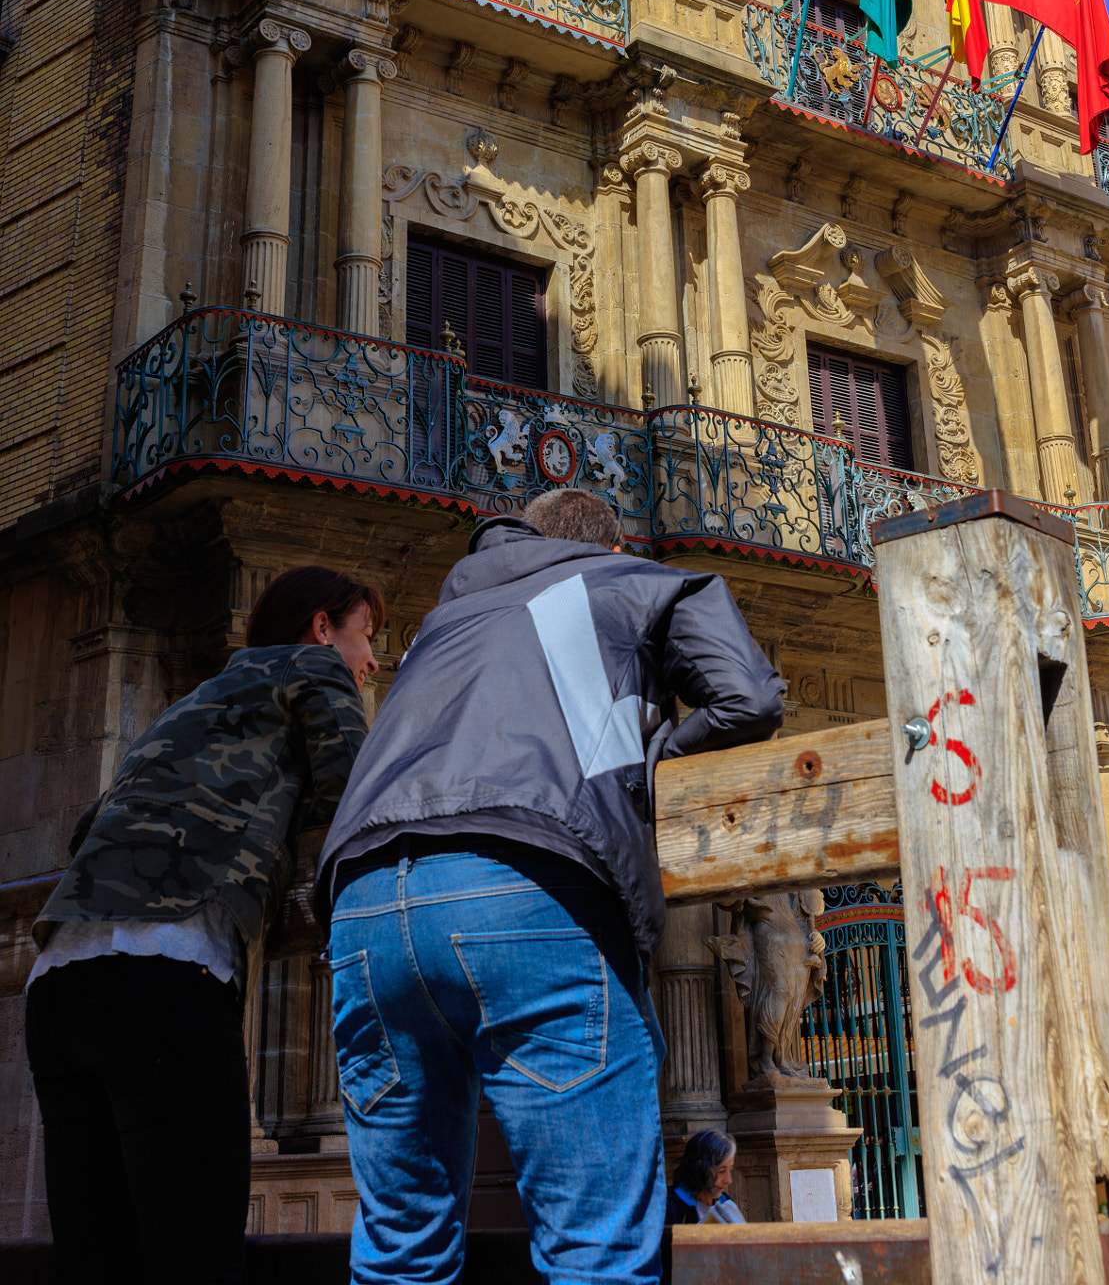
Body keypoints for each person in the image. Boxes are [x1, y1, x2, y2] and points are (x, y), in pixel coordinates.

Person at [319, 487, 785, 1285]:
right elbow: (748, 696)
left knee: (400, 1254)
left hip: (364, 904)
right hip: (527, 886)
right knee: (592, 1254)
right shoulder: (633, 580)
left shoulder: (446, 622)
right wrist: (653, 755)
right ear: (612, 546)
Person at [26, 566, 382, 1285]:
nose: (372, 660)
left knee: (97, 1259)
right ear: (322, 628)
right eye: (367, 636)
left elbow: (92, 828)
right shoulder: (314, 667)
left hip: (60, 980)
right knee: (194, 1254)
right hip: (164, 973)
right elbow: (350, 793)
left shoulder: (194, 701)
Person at [666, 1131, 744, 1226]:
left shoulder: (724, 1201)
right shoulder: (671, 1206)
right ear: (699, 1168)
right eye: (721, 1171)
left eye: (730, 1169)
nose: (729, 1180)